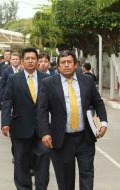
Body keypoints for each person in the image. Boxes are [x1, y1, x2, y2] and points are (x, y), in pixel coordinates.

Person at [38, 50, 108, 190]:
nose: (66, 65)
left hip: (85, 138)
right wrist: (45, 133)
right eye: (63, 63)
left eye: (69, 62)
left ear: (75, 64)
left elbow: (98, 102)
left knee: (87, 176)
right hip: (61, 140)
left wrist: (104, 122)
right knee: (65, 181)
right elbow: (42, 110)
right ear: (57, 66)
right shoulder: (48, 83)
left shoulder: (87, 80)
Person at [1, 47, 50, 190]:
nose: (30, 61)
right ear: (22, 61)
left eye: (33, 59)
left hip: (43, 130)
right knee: (21, 162)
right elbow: (7, 102)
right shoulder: (13, 79)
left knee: (43, 160)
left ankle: (41, 187)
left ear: (37, 61)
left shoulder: (46, 79)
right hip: (20, 128)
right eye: (27, 59)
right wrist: (5, 123)